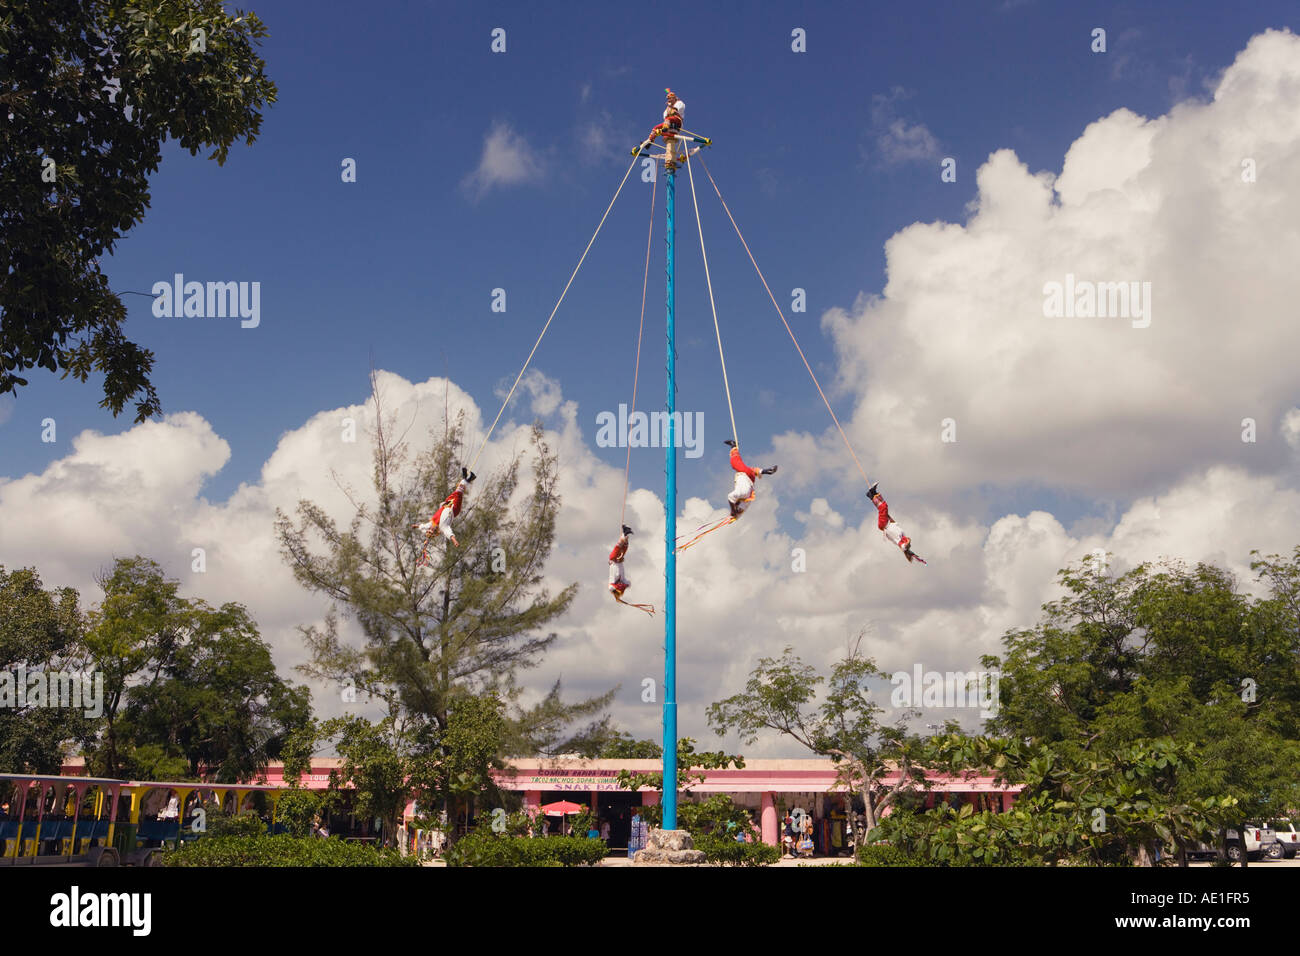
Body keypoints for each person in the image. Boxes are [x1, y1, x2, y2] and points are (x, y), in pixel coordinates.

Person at [415, 467, 476, 551]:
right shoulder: (443, 527)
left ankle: (469, 478)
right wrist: (455, 541)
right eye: (433, 530)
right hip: (454, 509)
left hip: (447, 504)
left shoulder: (431, 523)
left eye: (430, 529)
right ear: (436, 531)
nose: (432, 528)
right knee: (459, 491)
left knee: (456, 492)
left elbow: (422, 526)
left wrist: (416, 526)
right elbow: (449, 534)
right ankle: (466, 478)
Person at [867, 482, 925, 564]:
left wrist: (910, 551)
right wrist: (888, 516)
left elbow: (904, 547)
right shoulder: (902, 534)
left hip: (884, 525)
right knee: (883, 507)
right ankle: (871, 495)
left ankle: (872, 493)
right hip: (886, 522)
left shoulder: (900, 542)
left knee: (883, 507)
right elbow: (894, 522)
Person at [725, 440, 777, 519]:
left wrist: (734, 514)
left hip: (750, 478)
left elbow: (739, 511)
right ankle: (733, 445)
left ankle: (764, 471)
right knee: (735, 462)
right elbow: (730, 497)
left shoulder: (746, 501)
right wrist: (733, 511)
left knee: (748, 468)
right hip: (745, 475)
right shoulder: (742, 494)